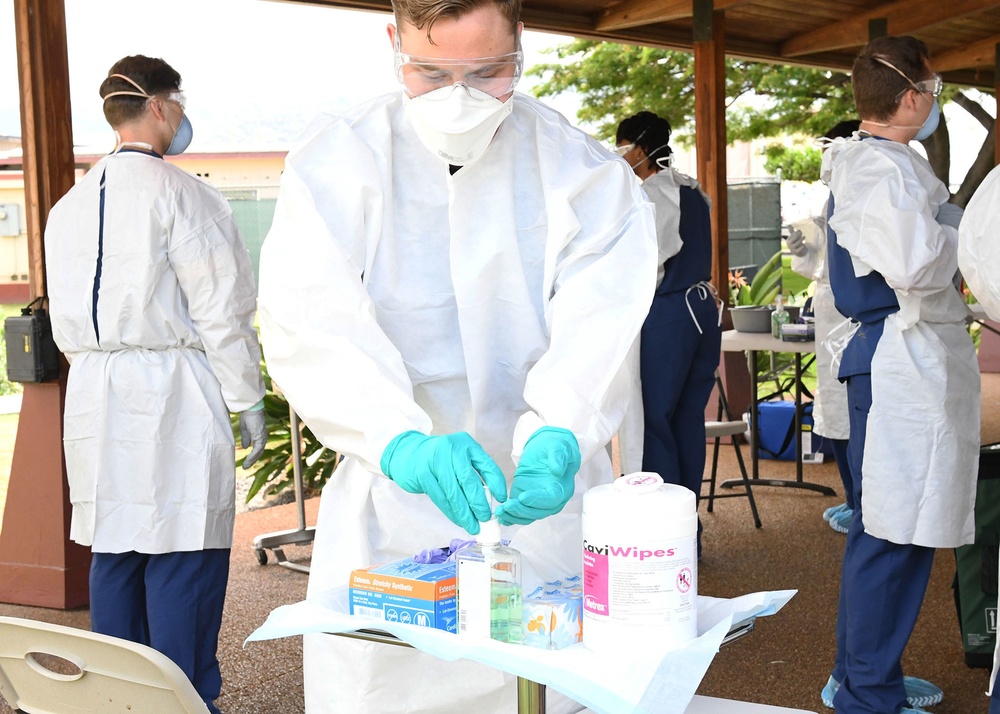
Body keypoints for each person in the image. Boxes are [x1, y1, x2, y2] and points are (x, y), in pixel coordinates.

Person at [255, 0, 657, 711]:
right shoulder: (339, 163)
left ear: (520, 42)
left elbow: (600, 324)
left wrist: (562, 430)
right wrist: (398, 441)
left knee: (545, 690)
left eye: (488, 71)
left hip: (541, 506)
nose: (460, 97)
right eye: (432, 73)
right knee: (394, 688)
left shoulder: (585, 173)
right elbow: (309, 322)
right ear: (394, 43)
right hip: (396, 504)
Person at [44, 55, 268, 714]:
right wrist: (246, 397)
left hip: (95, 389)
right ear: (162, 106)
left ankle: (117, 700)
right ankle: (185, 701)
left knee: (116, 548)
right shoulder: (187, 196)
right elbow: (223, 311)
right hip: (173, 387)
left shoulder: (67, 206)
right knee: (183, 545)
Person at [821, 36, 979, 714]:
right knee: (894, 533)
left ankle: (862, 677)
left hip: (901, 356)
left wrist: (947, 228)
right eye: (934, 90)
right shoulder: (877, 170)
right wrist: (964, 237)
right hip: (897, 361)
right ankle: (867, 692)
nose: (936, 101)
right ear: (911, 97)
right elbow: (916, 264)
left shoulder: (885, 163)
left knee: (887, 529)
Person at [613, 112, 721, 536]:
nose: (621, 157)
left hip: (668, 314)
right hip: (702, 311)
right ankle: (687, 532)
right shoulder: (692, 191)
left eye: (623, 148)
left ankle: (662, 533)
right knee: (688, 420)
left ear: (640, 148)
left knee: (655, 421)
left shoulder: (653, 194)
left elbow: (648, 263)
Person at [786, 120, 859, 535]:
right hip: (832, 315)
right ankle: (853, 498)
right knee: (833, 413)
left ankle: (865, 504)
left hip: (857, 318)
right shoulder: (833, 196)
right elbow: (820, 262)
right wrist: (804, 247)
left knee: (857, 414)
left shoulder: (866, 191)